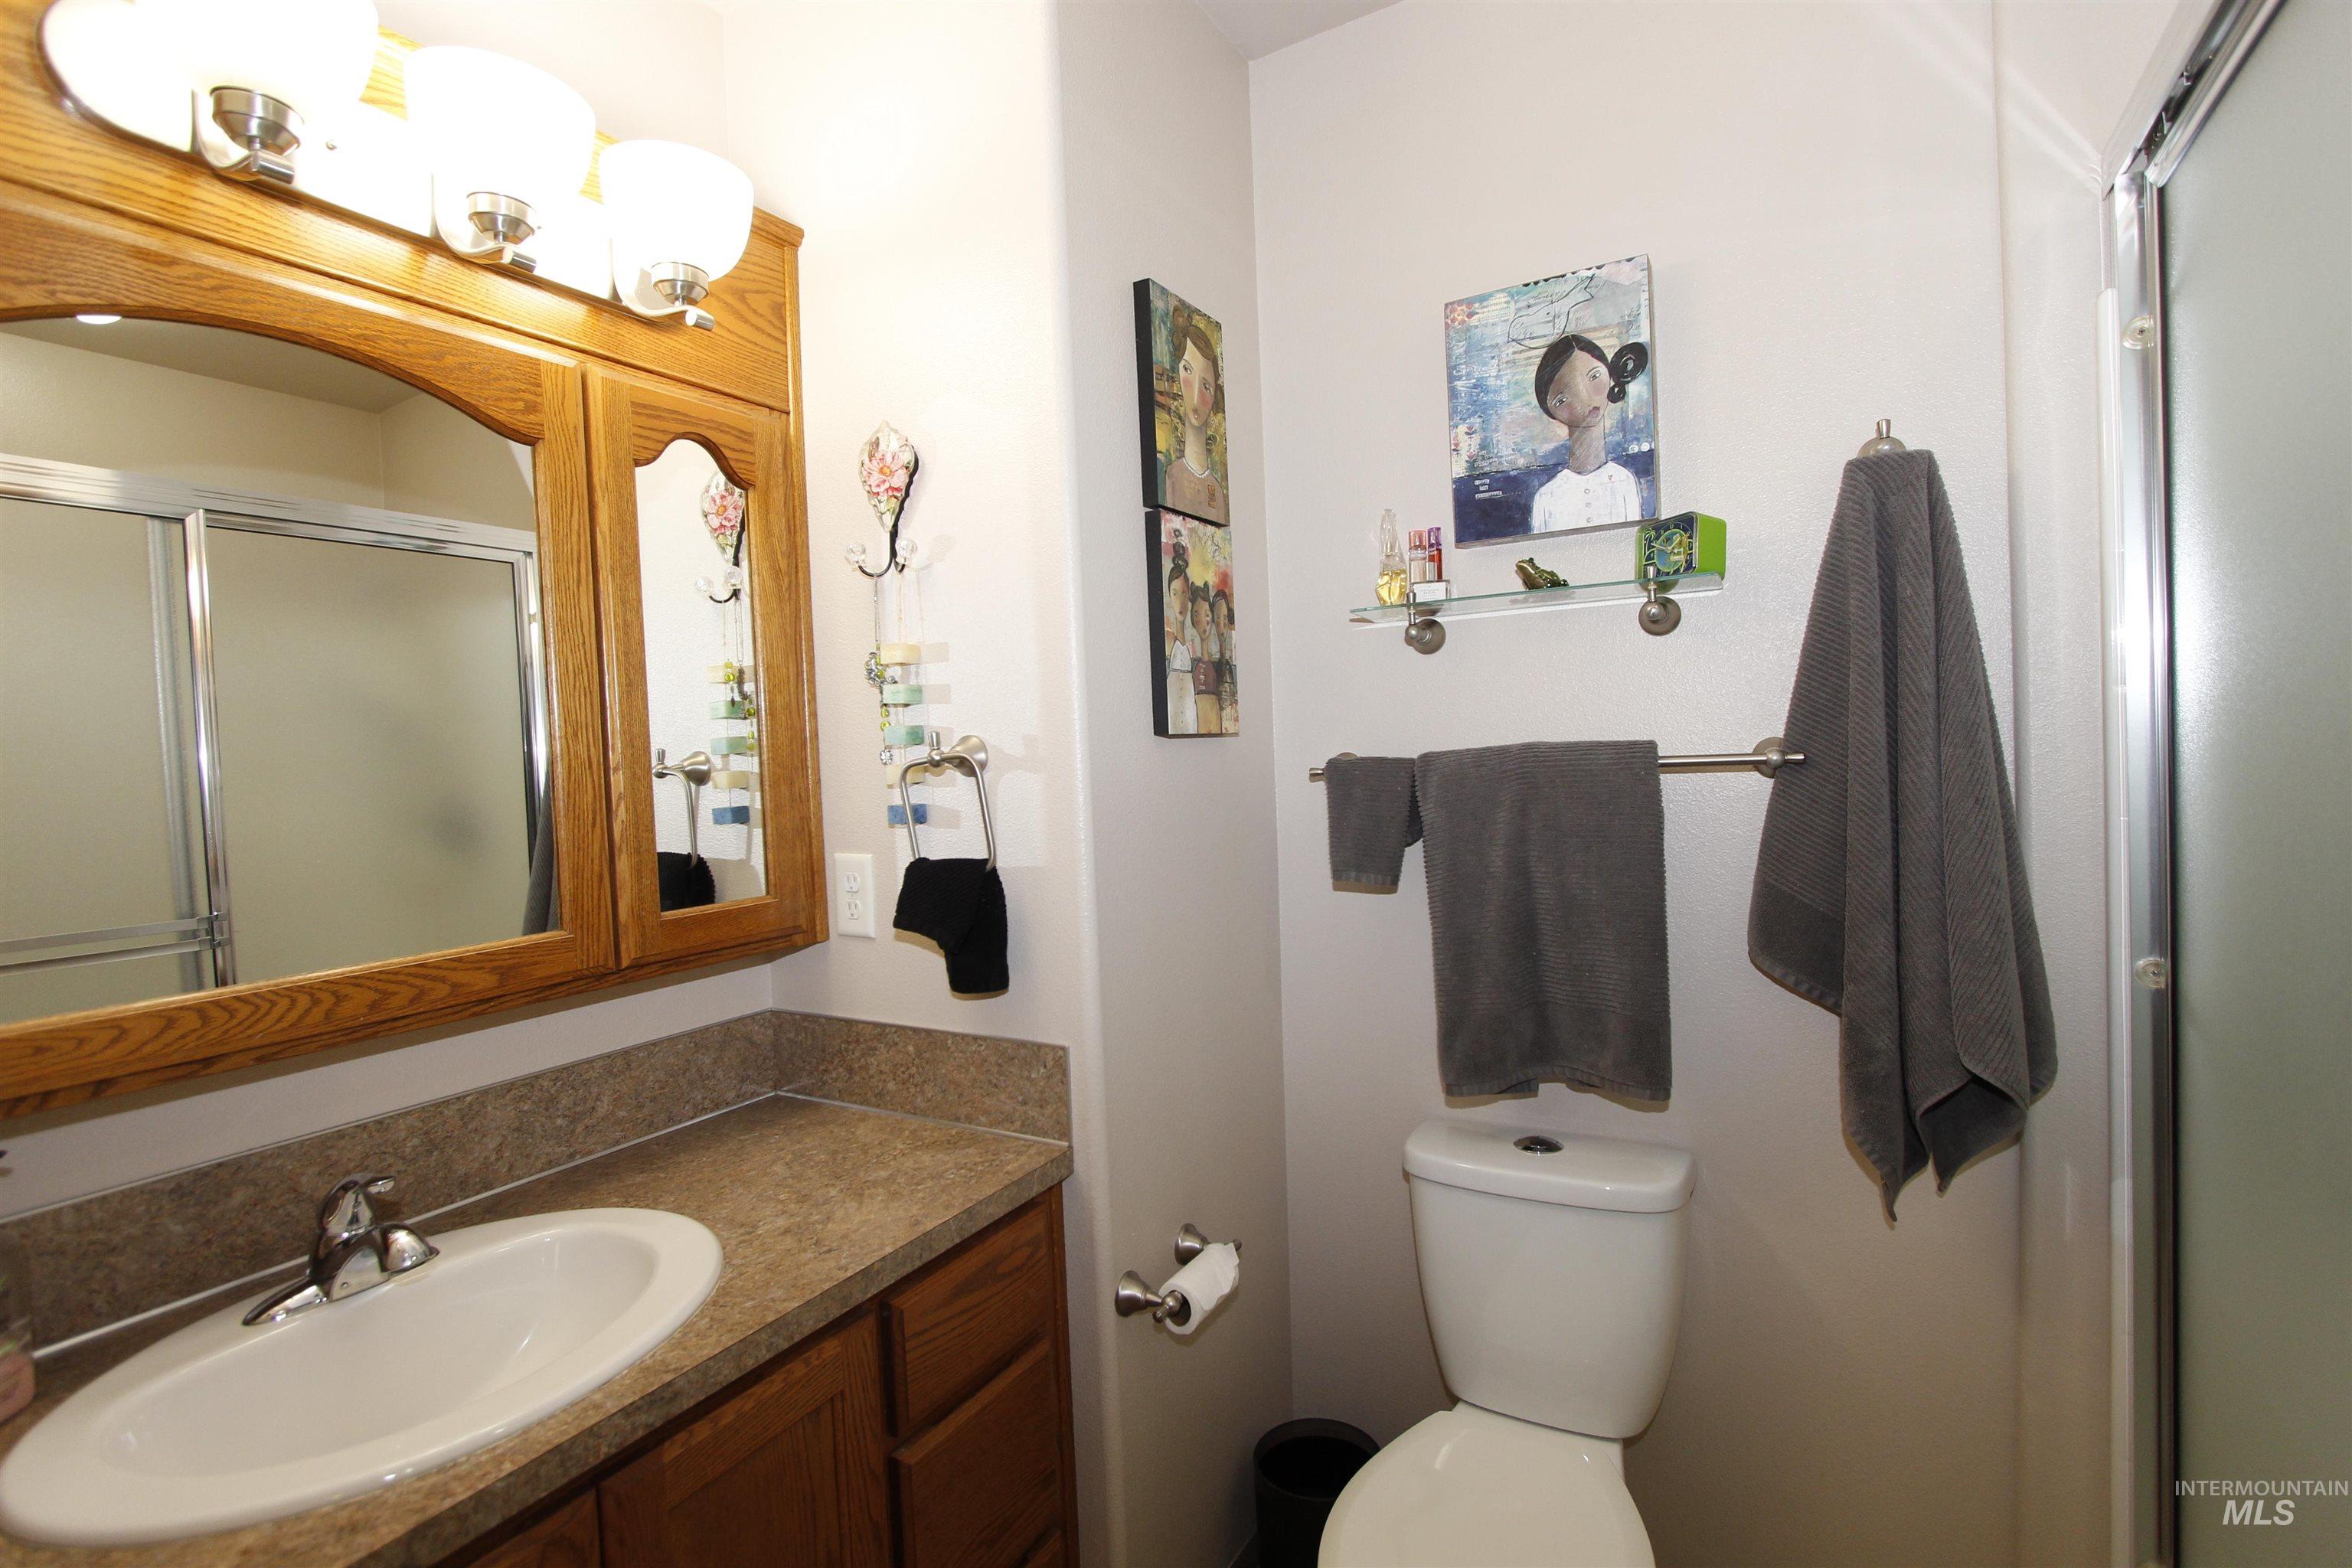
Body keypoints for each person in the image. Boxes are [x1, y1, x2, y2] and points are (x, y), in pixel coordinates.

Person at [1527, 332, 1648, 533]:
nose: (1585, 398)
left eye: (1594, 377)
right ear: (1550, 410)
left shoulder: (1623, 480)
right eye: (1562, 399)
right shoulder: (1546, 497)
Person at [1164, 314, 1228, 523]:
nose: (1196, 391)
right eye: (1187, 370)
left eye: (1206, 386)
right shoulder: (1172, 475)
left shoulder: (1217, 491)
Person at [1163, 564, 1197, 734]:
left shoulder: (1193, 647)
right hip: (1173, 701)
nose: (1180, 602)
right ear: (1169, 596)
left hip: (1188, 700)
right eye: (1175, 594)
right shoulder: (1168, 642)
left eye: (1184, 593)